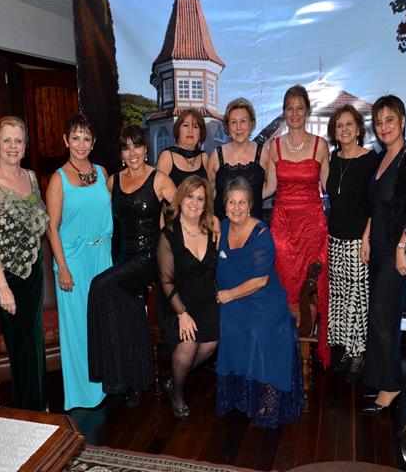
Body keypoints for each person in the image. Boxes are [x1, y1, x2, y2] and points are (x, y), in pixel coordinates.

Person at [87, 125, 175, 408]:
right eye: (126, 147)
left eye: (137, 146)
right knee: (128, 310)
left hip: (150, 258)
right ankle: (132, 381)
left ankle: (105, 371)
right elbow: (99, 215)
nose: (133, 152)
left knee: (99, 286)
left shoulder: (159, 179)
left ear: (146, 149)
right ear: (121, 153)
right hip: (124, 257)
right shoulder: (112, 181)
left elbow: (185, 212)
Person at [216, 177, 304, 428]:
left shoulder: (262, 234)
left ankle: (267, 401)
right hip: (233, 298)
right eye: (232, 202)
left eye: (242, 202)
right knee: (229, 328)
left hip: (263, 298)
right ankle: (241, 398)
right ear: (224, 205)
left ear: (251, 205)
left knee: (258, 332)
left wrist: (228, 295)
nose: (236, 207)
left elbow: (261, 280)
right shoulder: (219, 228)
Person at [0, 116, 48, 411]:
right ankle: (29, 413)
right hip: (8, 276)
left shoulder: (29, 177)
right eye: (6, 140)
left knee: (35, 341)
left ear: (25, 146)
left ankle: (41, 407)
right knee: (20, 347)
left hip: (34, 270)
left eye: (18, 140)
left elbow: (36, 213)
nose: (12, 146)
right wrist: (2, 288)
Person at [46, 114, 111, 410]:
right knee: (78, 327)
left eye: (86, 138)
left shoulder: (102, 172)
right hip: (72, 261)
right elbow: (52, 227)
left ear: (93, 142)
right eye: (75, 138)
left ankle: (104, 384)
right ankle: (83, 394)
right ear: (66, 140)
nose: (81, 144)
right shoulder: (58, 179)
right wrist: (62, 268)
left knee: (102, 323)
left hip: (102, 257)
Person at [361, 96, 406, 414]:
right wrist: (366, 237)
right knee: (379, 315)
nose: (383, 127)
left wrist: (402, 248)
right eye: (379, 121)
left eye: (390, 120)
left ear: (402, 121)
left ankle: (392, 384)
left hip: (395, 250)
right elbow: (376, 206)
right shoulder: (382, 158)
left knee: (384, 316)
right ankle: (380, 379)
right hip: (377, 248)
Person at [263, 85, 330, 367]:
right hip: (282, 226)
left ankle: (307, 346)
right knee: (283, 283)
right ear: (284, 112)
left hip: (313, 226)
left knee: (311, 284)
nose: (294, 113)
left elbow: (330, 186)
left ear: (307, 111)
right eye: (289, 108)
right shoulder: (274, 147)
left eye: (299, 108)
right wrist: (236, 198)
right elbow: (269, 188)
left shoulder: (320, 145)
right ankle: (284, 347)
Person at [325, 105, 380, 382]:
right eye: (339, 125)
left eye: (349, 124)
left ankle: (359, 355)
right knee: (341, 298)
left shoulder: (371, 160)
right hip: (335, 240)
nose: (344, 129)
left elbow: (375, 205)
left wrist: (367, 238)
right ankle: (347, 349)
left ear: (359, 128)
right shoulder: (333, 159)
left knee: (358, 299)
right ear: (334, 132)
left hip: (359, 241)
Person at [157, 175, 219, 419]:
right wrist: (182, 314)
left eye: (200, 198)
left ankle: (174, 376)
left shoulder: (212, 229)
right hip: (176, 301)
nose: (194, 202)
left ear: (205, 204)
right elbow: (166, 280)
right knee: (189, 343)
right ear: (180, 200)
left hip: (205, 299)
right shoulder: (168, 234)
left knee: (210, 344)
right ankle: (177, 393)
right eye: (190, 196)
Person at [207, 98, 268, 220]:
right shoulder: (216, 155)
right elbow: (209, 192)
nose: (238, 127)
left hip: (254, 226)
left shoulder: (263, 153)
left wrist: (252, 198)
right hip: (222, 226)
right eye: (233, 122)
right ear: (227, 126)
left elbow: (271, 186)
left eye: (243, 121)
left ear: (251, 124)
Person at [157, 108, 209, 186]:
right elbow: (158, 189)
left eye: (195, 127)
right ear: (178, 131)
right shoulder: (167, 156)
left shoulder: (204, 157)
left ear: (200, 135)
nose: (190, 130)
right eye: (185, 125)